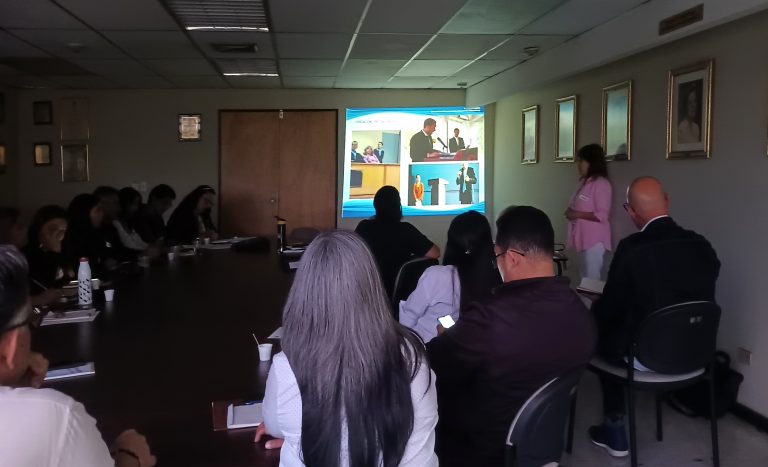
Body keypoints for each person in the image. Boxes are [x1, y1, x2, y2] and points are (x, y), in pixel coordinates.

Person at [427, 206, 596, 467]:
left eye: (497, 256)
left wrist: (449, 336)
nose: (497, 264)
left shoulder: (488, 319)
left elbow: (434, 362)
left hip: (481, 448)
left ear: (513, 258)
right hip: (542, 441)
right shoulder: (581, 313)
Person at [254, 231, 439, 467]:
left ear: (304, 291)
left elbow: (273, 425)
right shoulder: (413, 355)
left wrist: (298, 435)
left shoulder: (288, 365)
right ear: (372, 284)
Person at [588, 176, 720, 458]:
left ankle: (614, 428)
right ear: (667, 201)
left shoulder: (632, 249)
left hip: (647, 357)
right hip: (696, 355)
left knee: (601, 333)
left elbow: (611, 307)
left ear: (631, 212)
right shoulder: (702, 246)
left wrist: (592, 313)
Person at [0, 245, 157, 467]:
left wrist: (14, 383)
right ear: (12, 344)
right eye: (30, 320)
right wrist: (129, 457)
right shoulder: (54, 417)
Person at [399, 211, 500, 343]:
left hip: (424, 348)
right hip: (464, 349)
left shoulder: (437, 276)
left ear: (452, 243)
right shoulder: (495, 278)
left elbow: (408, 317)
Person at [355, 186, 440, 297]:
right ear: (398, 206)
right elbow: (435, 253)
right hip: (394, 295)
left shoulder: (363, 227)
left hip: (364, 294)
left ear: (375, 205)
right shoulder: (405, 230)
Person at [565, 144, 613, 280]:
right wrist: (570, 211)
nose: (578, 165)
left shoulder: (601, 184)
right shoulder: (585, 183)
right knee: (583, 277)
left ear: (592, 162)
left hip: (594, 240)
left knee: (591, 279)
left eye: (581, 161)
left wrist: (576, 214)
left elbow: (602, 215)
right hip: (581, 238)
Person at [23, 205, 71, 305]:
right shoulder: (27, 255)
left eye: (63, 231)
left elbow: (66, 279)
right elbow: (44, 286)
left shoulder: (65, 249)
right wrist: (54, 252)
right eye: (52, 229)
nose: (58, 235)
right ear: (38, 230)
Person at [62, 194, 115, 277]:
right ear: (84, 213)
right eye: (98, 210)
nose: (102, 214)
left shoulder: (98, 231)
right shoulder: (72, 238)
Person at [114, 187, 149, 252]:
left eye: (138, 204)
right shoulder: (115, 224)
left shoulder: (128, 222)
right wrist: (148, 251)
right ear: (125, 204)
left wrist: (152, 248)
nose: (137, 208)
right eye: (135, 204)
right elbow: (129, 246)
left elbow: (139, 242)